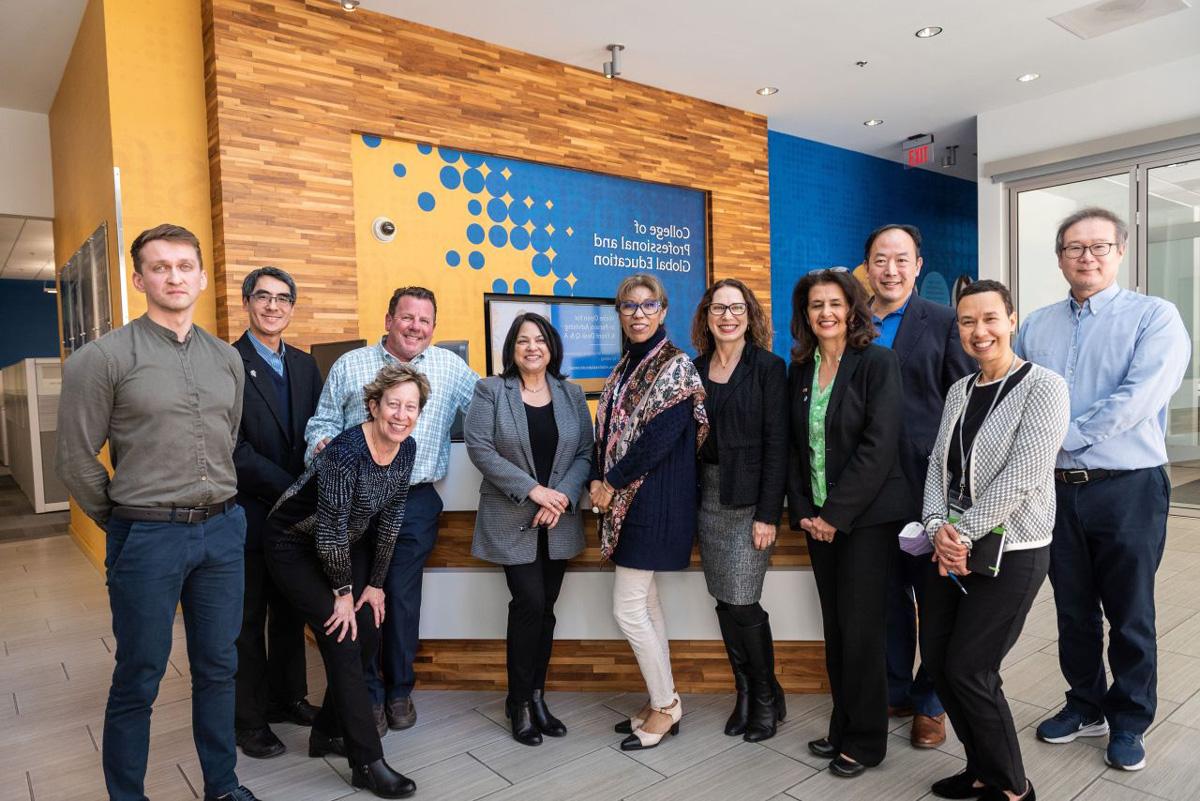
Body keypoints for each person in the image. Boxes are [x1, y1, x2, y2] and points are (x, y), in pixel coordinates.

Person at [56, 224, 259, 801]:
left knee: (219, 669)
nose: (174, 276)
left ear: (199, 275)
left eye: (184, 265)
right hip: (147, 537)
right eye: (160, 266)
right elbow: (75, 459)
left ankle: (221, 784)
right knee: (139, 676)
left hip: (222, 533)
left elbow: (229, 438)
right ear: (140, 277)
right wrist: (124, 520)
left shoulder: (225, 358)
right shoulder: (102, 359)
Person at [1016, 207, 1190, 772]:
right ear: (1060, 256)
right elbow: (1020, 394)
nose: (1085, 257)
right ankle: (1085, 704)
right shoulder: (1036, 325)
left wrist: (1064, 436)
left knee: (1130, 611)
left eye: (1097, 247)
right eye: (1073, 248)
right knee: (1072, 610)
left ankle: (1131, 719)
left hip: (1128, 487)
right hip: (1054, 491)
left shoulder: (1155, 317)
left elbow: (1141, 395)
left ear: (1119, 252)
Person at [920, 280, 1070, 801]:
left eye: (989, 319)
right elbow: (938, 466)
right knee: (939, 665)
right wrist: (938, 527)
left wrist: (958, 532)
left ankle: (1012, 787)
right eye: (966, 321)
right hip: (951, 546)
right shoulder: (960, 390)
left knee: (971, 668)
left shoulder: (1043, 386)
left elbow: (1023, 474)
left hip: (1015, 550)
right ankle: (980, 768)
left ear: (1011, 320)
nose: (978, 331)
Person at [305, 286, 478, 733]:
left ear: (433, 328)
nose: (415, 327)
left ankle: (400, 690)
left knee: (400, 599)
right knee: (360, 598)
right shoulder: (351, 365)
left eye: (424, 320)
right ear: (388, 320)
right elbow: (321, 421)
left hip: (415, 499)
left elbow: (490, 409)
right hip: (354, 499)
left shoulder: (450, 367)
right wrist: (321, 447)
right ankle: (368, 695)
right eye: (407, 317)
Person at [265, 364, 427, 799]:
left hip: (344, 543)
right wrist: (342, 594)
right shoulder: (345, 451)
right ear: (373, 406)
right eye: (393, 404)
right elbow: (330, 528)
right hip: (292, 544)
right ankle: (367, 762)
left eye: (411, 407)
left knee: (369, 632)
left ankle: (326, 734)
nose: (401, 414)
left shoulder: (406, 449)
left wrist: (373, 585)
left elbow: (391, 519)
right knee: (341, 637)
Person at [786, 268, 907, 779]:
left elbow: (879, 448)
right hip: (818, 521)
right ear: (806, 314)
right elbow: (795, 448)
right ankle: (842, 724)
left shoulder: (878, 363)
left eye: (835, 303)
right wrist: (808, 513)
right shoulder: (800, 371)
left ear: (853, 309)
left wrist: (835, 515)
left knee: (861, 631)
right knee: (835, 629)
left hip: (867, 521)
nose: (826, 313)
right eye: (816, 305)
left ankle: (867, 739)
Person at [864, 224, 973, 748]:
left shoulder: (945, 322)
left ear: (916, 262)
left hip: (929, 487)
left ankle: (931, 703)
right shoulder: (849, 320)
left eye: (901, 259)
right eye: (881, 259)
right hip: (867, 491)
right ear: (867, 266)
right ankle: (895, 689)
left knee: (934, 601)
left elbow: (965, 403)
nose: (890, 269)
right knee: (885, 599)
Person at [464, 313, 594, 746]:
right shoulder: (491, 391)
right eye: (523, 340)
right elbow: (480, 448)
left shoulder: (572, 394)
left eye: (540, 339)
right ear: (512, 349)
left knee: (547, 607)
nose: (532, 347)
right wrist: (535, 491)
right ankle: (517, 702)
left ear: (552, 347)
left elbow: (585, 453)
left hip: (558, 519)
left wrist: (561, 497)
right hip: (512, 516)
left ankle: (537, 697)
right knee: (529, 603)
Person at [592, 274, 707, 752]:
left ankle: (664, 706)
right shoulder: (624, 368)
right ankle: (665, 699)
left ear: (663, 311)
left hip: (654, 502)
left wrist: (610, 482)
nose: (638, 314)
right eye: (628, 306)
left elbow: (658, 440)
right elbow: (610, 434)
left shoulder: (676, 367)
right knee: (647, 605)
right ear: (619, 313)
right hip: (630, 504)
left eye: (648, 305)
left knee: (627, 609)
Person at [690, 278, 788, 742]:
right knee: (723, 600)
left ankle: (766, 695)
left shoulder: (769, 367)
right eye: (717, 308)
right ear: (706, 316)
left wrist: (768, 514)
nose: (727, 316)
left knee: (743, 601)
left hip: (749, 502)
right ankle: (745, 691)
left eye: (736, 307)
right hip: (707, 496)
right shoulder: (692, 369)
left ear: (750, 315)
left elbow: (777, 446)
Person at [232, 266, 324, 759]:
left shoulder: (308, 366)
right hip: (249, 513)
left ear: (292, 306)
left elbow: (316, 430)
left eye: (283, 298)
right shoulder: (227, 362)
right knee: (247, 622)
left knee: (290, 613)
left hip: (295, 521)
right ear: (247, 302)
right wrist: (292, 488)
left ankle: (288, 698)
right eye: (263, 297)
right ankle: (248, 721)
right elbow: (233, 448)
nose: (273, 306)